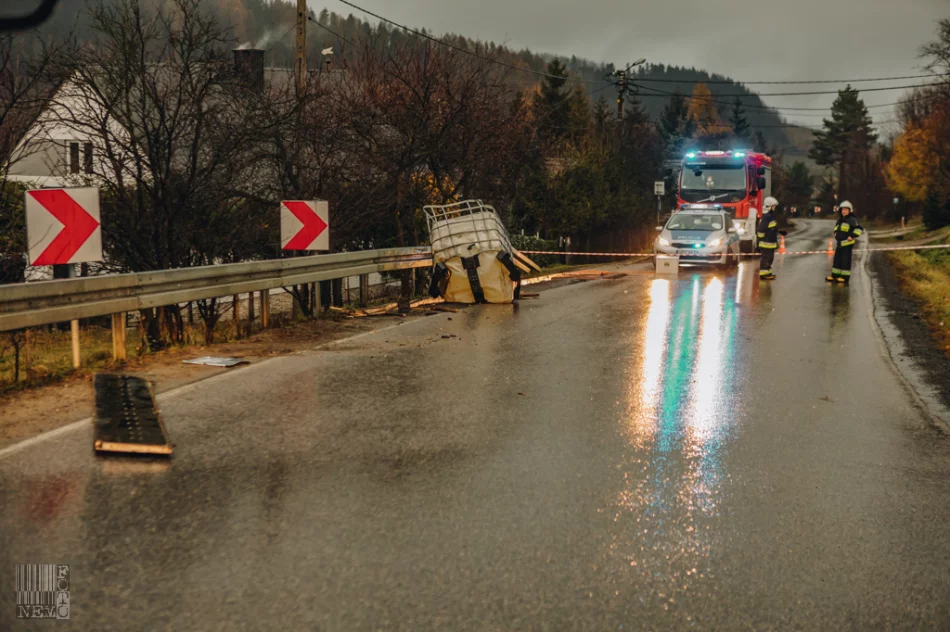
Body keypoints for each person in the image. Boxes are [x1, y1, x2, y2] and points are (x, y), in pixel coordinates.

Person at [826, 201, 864, 284]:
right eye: (842, 210)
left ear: (850, 210)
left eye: (846, 210)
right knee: (837, 261)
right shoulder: (841, 219)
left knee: (845, 261)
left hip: (847, 244)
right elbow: (837, 227)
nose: (844, 211)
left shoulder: (852, 220)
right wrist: (835, 232)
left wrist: (852, 236)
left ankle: (844, 277)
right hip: (839, 244)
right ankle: (835, 276)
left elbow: (860, 229)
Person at [756, 196, 787, 280]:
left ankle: (768, 272)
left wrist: (780, 231)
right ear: (769, 207)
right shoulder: (767, 217)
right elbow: (761, 230)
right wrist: (761, 240)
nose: (774, 208)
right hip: (766, 243)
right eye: (773, 206)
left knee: (770, 259)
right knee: (766, 259)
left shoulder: (770, 216)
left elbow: (772, 227)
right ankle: (763, 274)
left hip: (770, 243)